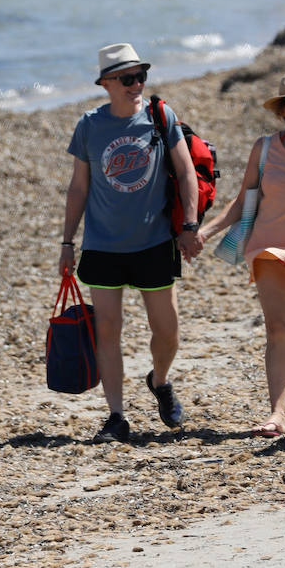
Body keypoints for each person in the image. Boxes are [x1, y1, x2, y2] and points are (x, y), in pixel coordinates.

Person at [59, 43, 204, 443]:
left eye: (140, 76)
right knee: (107, 329)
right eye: (126, 78)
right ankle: (117, 415)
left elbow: (186, 173)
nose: (136, 84)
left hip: (154, 242)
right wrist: (67, 242)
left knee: (168, 330)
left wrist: (189, 225)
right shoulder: (89, 125)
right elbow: (78, 187)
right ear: (106, 84)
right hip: (103, 246)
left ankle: (159, 380)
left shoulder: (160, 116)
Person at [201, 71, 285, 436]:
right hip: (268, 247)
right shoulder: (264, 148)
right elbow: (245, 198)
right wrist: (207, 231)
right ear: (283, 111)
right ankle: (277, 413)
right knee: (277, 330)